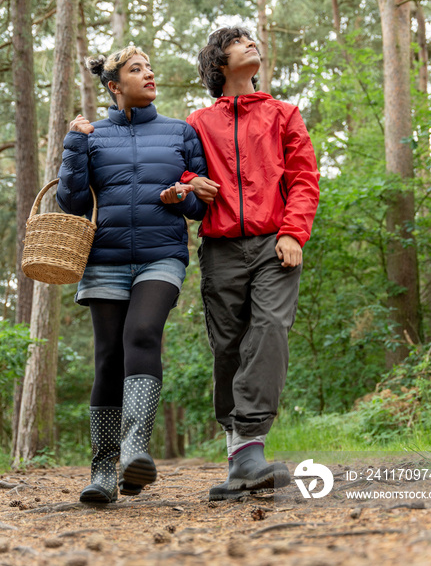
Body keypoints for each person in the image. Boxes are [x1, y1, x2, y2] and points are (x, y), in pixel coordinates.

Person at [57, 45, 207, 503]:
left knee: (142, 334)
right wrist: (74, 145)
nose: (149, 74)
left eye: (150, 68)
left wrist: (182, 196)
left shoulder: (180, 132)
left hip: (161, 256)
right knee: (107, 357)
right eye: (136, 70)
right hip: (103, 258)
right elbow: (73, 203)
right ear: (114, 85)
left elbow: (202, 204)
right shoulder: (93, 135)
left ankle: (133, 450)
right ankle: (102, 471)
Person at [180, 26, 320, 500]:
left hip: (273, 242)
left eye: (252, 40)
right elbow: (180, 169)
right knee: (228, 346)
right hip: (219, 247)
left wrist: (293, 232)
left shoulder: (284, 114)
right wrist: (188, 182)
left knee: (270, 329)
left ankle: (250, 445)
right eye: (239, 42)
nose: (251, 44)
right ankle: (240, 455)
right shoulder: (197, 122)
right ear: (219, 63)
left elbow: (304, 178)